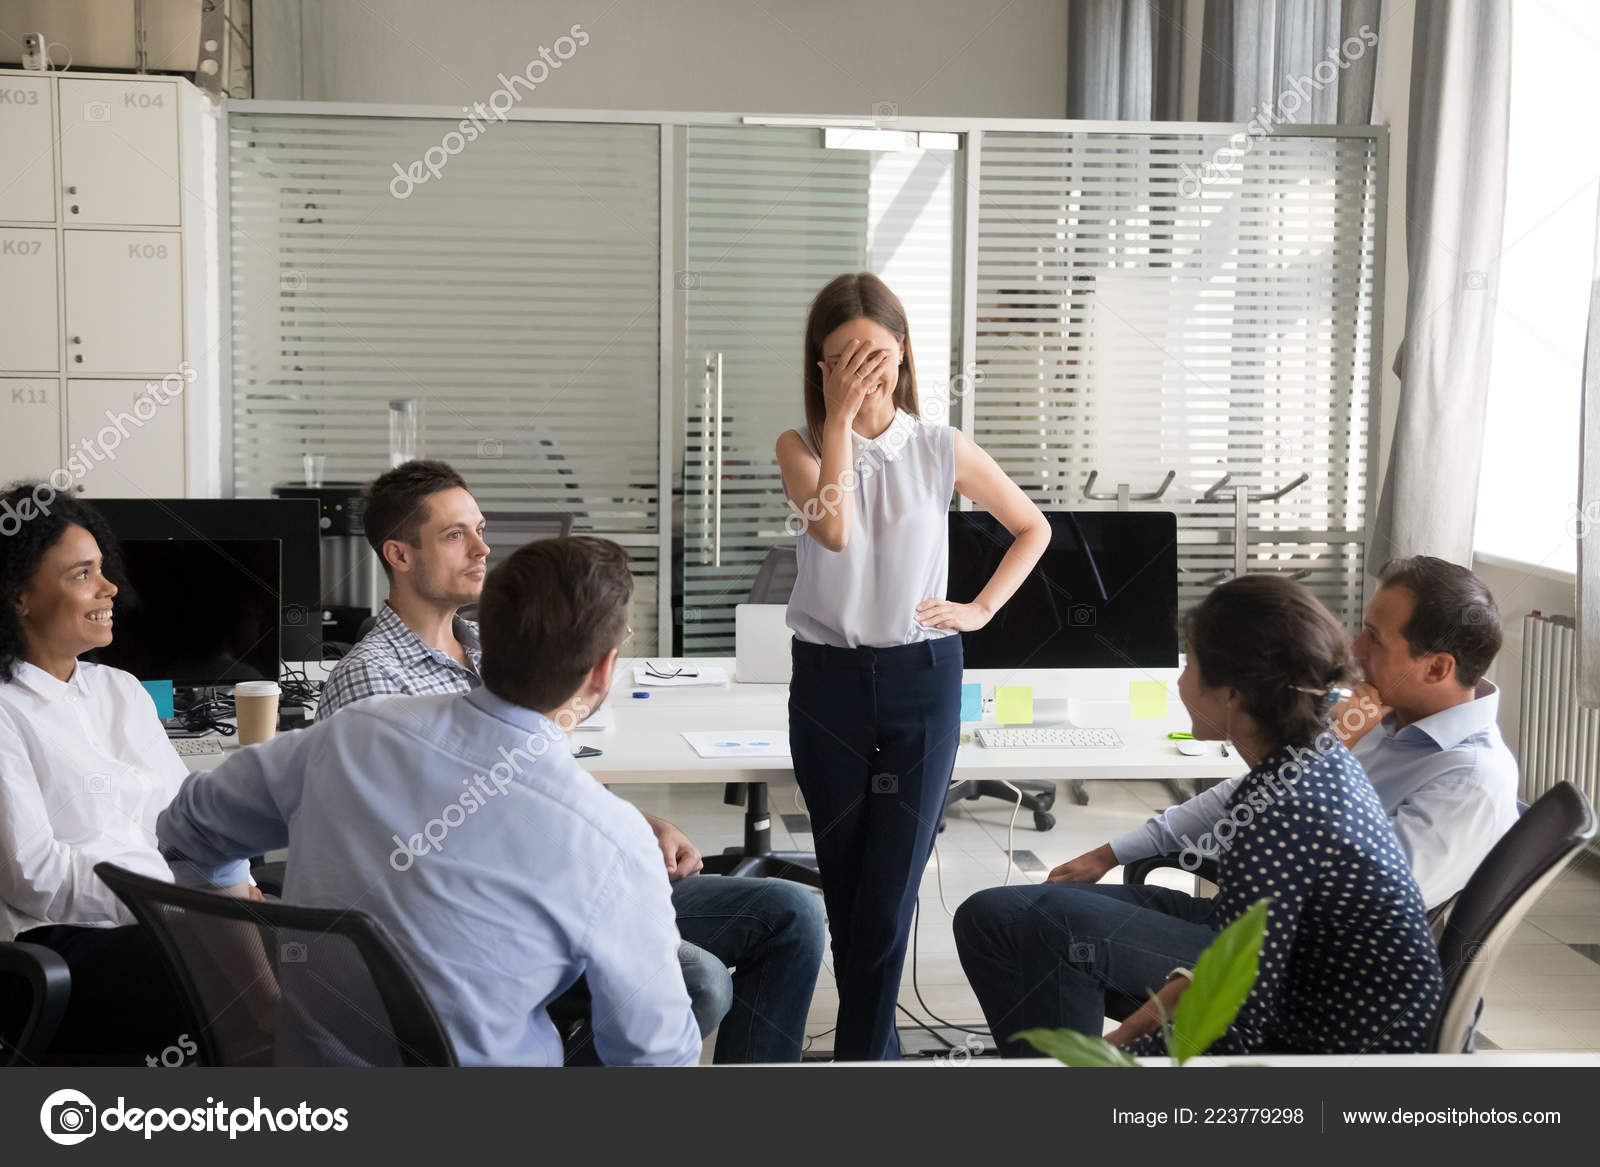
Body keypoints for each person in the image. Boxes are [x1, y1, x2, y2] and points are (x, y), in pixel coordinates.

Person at [316, 462, 823, 1063]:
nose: (483, 549)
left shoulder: (488, 647)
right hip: (484, 923)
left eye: (480, 529)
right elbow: (410, 848)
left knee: (789, 913)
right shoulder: (372, 679)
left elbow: (536, 779)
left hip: (561, 883)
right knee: (698, 980)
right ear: (398, 555)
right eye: (456, 536)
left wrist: (635, 823)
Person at [159, 537, 705, 1066]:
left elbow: (186, 831)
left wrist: (259, 999)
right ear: (604, 670)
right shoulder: (610, 837)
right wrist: (654, 938)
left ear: (484, 636)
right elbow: (653, 1058)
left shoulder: (354, 734)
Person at [955, 575, 1445, 1056]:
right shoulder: (1310, 761)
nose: (1179, 678)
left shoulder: (1287, 813)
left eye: (1190, 665)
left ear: (1233, 694)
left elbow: (1224, 992)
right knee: (987, 917)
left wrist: (1111, 1053)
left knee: (1053, 924)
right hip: (1273, 970)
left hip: (1334, 1039)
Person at [775, 272, 1050, 1060]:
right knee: (850, 888)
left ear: (905, 357)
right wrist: (838, 423)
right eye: (845, 359)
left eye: (880, 356)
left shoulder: (939, 445)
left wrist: (981, 610)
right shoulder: (797, 445)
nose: (866, 373)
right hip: (827, 683)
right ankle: (875, 1057)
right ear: (819, 365)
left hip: (921, 679)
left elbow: (1031, 528)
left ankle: (864, 1064)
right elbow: (832, 530)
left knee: (889, 895)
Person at [1047, 556, 1518, 913]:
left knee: (1027, 922)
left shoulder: (1470, 780)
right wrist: (1112, 852)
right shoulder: (1389, 717)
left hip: (1294, 969)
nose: (1356, 648)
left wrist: (1327, 752)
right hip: (1251, 925)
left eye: (1375, 637)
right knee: (1028, 914)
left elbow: (1368, 908)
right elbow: (1249, 793)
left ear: (1437, 667)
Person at [0, 484, 252, 1064]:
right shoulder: (8, 710)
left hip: (166, 924)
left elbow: (181, 826)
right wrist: (175, 908)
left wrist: (219, 896)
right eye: (82, 574)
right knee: (231, 992)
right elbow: (32, 876)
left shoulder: (121, 690)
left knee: (311, 939)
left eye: (102, 568)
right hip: (64, 946)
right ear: (18, 595)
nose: (109, 587)